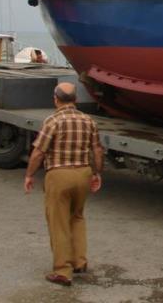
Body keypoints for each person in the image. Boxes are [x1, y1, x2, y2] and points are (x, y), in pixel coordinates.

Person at [24, 82, 104, 286]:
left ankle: (62, 271)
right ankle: (79, 262)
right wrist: (96, 173)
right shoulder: (88, 121)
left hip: (59, 175)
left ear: (55, 99)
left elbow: (39, 152)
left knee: (58, 222)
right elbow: (97, 150)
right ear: (75, 100)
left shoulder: (52, 121)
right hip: (83, 173)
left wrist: (29, 175)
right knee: (77, 216)